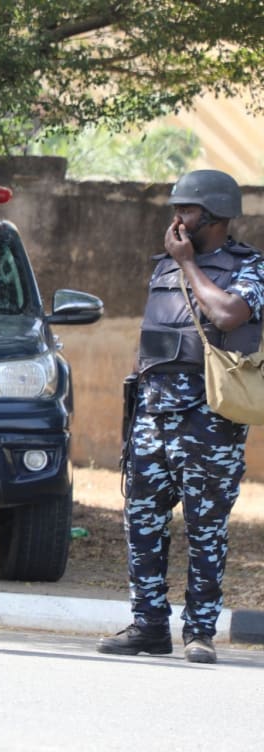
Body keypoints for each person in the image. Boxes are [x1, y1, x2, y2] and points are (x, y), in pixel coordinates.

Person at [97, 170, 264, 665]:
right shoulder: (163, 267)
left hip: (209, 417)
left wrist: (189, 264)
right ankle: (149, 625)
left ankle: (199, 632)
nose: (177, 219)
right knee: (142, 521)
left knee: (205, 526)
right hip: (153, 411)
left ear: (213, 215)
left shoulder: (248, 266)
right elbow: (150, 334)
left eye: (185, 210)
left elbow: (229, 315)